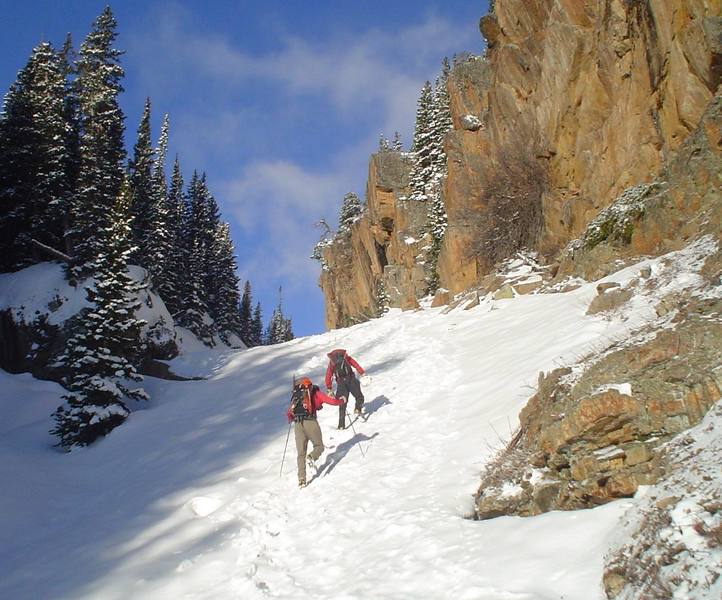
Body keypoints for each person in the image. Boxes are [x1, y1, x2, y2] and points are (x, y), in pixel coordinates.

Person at [286, 376, 343, 487]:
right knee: (319, 446)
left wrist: (291, 417)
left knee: (300, 453)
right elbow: (330, 401)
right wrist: (341, 401)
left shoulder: (296, 396)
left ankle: (301, 479)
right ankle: (312, 457)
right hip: (310, 422)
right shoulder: (314, 392)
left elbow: (289, 413)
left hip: (298, 424)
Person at [324, 348, 365, 429]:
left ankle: (341, 425)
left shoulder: (332, 362)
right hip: (351, 380)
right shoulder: (346, 357)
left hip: (341, 383)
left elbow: (328, 375)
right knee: (359, 396)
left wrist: (329, 388)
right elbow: (355, 364)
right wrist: (362, 373)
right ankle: (357, 408)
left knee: (342, 403)